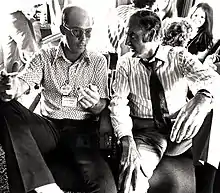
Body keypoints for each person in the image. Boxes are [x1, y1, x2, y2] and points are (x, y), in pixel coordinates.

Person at [0, 5, 117, 193]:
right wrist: (12, 88)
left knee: (106, 187)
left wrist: (96, 104)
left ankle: (41, 181)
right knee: (5, 105)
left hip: (82, 131)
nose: (83, 39)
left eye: (88, 32)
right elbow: (24, 81)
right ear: (63, 29)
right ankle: (44, 186)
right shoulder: (44, 56)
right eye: (77, 32)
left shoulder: (98, 61)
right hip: (50, 127)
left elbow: (102, 105)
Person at [109, 9, 220, 193]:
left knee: (214, 110)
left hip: (182, 132)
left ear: (151, 35)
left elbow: (213, 80)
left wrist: (202, 97)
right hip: (148, 136)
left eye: (132, 36)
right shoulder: (125, 64)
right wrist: (127, 140)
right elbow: (118, 104)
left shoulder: (179, 56)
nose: (126, 42)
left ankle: (205, 188)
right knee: (132, 176)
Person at [1, 0, 39, 73]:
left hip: (4, 16)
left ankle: (8, 82)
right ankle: (35, 81)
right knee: (30, 53)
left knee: (10, 56)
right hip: (16, 16)